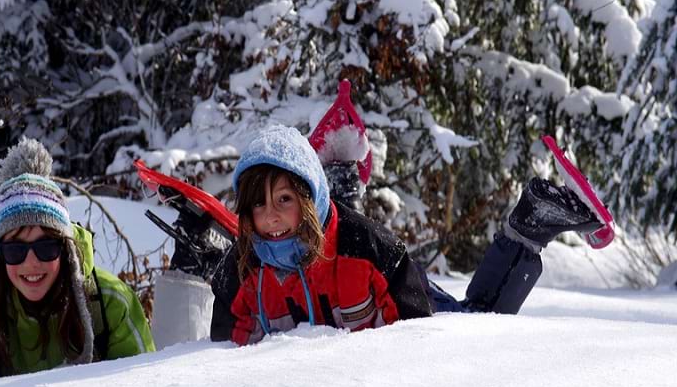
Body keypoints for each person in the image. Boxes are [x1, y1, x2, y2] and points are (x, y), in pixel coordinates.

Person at [209, 125, 602, 345]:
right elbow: (224, 350)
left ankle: (531, 223)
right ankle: (342, 169)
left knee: (479, 319)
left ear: (310, 198)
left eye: (283, 199)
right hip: (341, 279)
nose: (271, 215)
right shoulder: (243, 267)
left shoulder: (368, 247)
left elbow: (417, 342)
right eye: (259, 205)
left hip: (406, 294)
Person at [0, 138, 155, 383]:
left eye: (45, 247)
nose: (31, 262)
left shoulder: (111, 302)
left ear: (65, 249)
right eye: (15, 251)